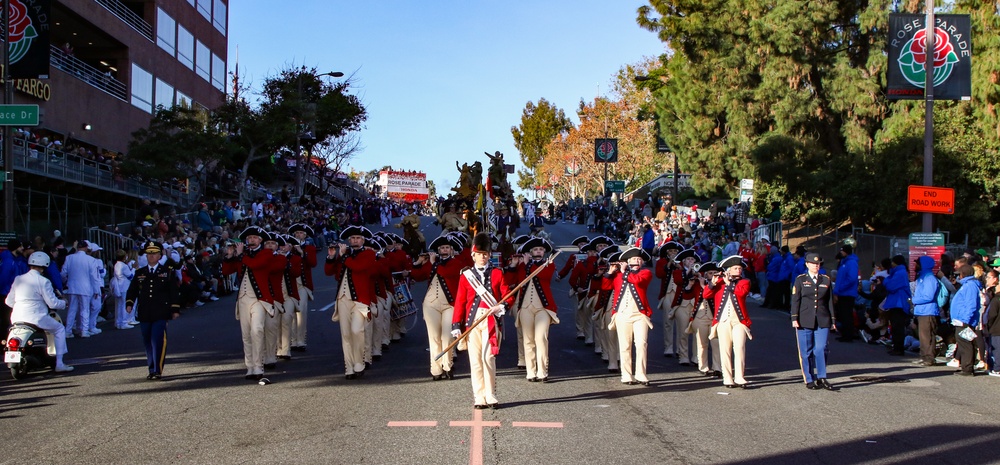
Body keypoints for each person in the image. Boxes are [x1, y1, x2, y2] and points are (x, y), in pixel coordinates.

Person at [450, 233, 510, 409]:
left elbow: (507, 295)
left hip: (491, 320)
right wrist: (456, 325)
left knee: (487, 358)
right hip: (472, 322)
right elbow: (460, 301)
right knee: (475, 360)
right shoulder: (465, 276)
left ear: (489, 255)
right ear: (473, 255)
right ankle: (479, 396)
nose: (483, 257)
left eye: (486, 254)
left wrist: (501, 306)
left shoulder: (498, 273)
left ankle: (490, 394)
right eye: (479, 254)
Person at [222, 226, 277, 381]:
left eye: (254, 238)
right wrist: (230, 255)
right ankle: (250, 366)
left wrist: (240, 255)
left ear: (260, 240)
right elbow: (226, 271)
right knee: (246, 334)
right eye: (249, 238)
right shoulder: (243, 255)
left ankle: (259, 365)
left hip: (260, 299)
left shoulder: (266, 253)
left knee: (257, 330)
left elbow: (255, 265)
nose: (251, 240)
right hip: (243, 298)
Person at [324, 225, 378, 380]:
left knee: (357, 330)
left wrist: (344, 256)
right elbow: (329, 272)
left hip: (360, 299)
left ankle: (359, 361)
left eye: (358, 238)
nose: (355, 240)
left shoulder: (368, 254)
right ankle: (349, 367)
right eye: (353, 238)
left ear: (363, 240)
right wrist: (332, 257)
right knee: (346, 334)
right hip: (343, 297)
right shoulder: (343, 254)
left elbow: (359, 267)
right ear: (349, 240)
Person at [6, 251, 73, 372]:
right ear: (45, 265)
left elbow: (9, 301)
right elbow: (52, 303)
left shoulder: (18, 279)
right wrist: (64, 303)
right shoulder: (43, 281)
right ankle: (59, 363)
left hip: (16, 317)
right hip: (37, 317)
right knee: (59, 329)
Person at [409, 234, 464, 380]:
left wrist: (433, 263)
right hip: (431, 303)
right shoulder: (433, 263)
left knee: (447, 336)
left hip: (449, 304)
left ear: (451, 250)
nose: (444, 250)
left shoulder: (455, 263)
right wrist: (418, 262)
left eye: (447, 247)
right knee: (433, 337)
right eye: (441, 248)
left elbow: (446, 273)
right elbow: (417, 275)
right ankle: (436, 369)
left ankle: (448, 365)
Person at [125, 241, 181, 380]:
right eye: (149, 254)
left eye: (154, 254)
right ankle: (151, 368)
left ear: (159, 255)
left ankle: (157, 369)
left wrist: (174, 309)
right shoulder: (140, 273)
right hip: (145, 312)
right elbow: (132, 290)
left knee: (158, 340)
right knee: (147, 341)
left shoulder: (166, 272)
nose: (151, 256)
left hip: (161, 311)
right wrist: (129, 303)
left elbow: (173, 291)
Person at [507, 237, 558, 382]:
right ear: (530, 252)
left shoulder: (549, 264)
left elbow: (544, 276)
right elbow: (511, 282)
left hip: (543, 307)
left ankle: (542, 370)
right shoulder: (522, 266)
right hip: (524, 306)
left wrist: (528, 264)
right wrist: (513, 265)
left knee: (541, 338)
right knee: (528, 340)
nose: (538, 252)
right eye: (535, 249)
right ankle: (531, 371)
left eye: (541, 250)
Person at [705, 255, 753, 389]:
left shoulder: (744, 281)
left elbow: (741, 293)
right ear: (728, 270)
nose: (738, 270)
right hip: (723, 320)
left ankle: (739, 376)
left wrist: (729, 284)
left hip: (739, 321)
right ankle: (727, 378)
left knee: (739, 348)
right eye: (735, 268)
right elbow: (706, 295)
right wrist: (712, 283)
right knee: (724, 349)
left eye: (739, 268)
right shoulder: (719, 282)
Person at [790, 253, 837, 390]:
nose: (816, 266)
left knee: (821, 348)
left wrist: (833, 320)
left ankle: (822, 377)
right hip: (804, 319)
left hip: (822, 319)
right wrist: (794, 318)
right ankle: (809, 378)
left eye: (818, 264)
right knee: (806, 351)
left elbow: (829, 302)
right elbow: (795, 300)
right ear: (807, 264)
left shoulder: (825, 280)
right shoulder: (800, 280)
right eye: (813, 264)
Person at [609, 247, 654, 386]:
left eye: (640, 259)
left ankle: (641, 374)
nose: (638, 261)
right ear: (627, 261)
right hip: (622, 313)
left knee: (641, 344)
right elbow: (605, 286)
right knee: (625, 345)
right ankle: (626, 375)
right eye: (634, 259)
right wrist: (609, 273)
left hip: (640, 314)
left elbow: (637, 281)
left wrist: (623, 272)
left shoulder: (646, 273)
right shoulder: (617, 275)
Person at [288, 224, 317, 352]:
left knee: (301, 312)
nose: (298, 235)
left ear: (305, 235)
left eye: (301, 233)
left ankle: (301, 340)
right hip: (291, 282)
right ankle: (292, 340)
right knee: (290, 313)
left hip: (303, 284)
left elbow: (313, 263)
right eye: (297, 233)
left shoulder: (309, 248)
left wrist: (302, 252)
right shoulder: (290, 247)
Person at [62, 240, 100, 338]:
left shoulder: (69, 258)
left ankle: (68, 331)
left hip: (72, 287)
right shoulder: (91, 260)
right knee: (85, 309)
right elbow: (94, 277)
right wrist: (97, 290)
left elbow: (63, 273)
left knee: (72, 309)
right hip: (85, 287)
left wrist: (66, 281)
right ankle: (84, 330)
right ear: (86, 248)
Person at [950, 264, 981, 376]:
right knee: (964, 343)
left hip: (964, 320)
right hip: (961, 319)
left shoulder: (970, 286)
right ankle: (966, 366)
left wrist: (965, 320)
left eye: (959, 274)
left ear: (964, 274)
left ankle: (967, 368)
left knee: (965, 343)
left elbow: (971, 305)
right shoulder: (967, 285)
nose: (958, 276)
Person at [911, 255, 941, 366]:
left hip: (928, 311)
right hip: (922, 311)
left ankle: (929, 358)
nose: (916, 265)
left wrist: (914, 300)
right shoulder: (922, 277)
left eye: (917, 263)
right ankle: (923, 356)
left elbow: (929, 296)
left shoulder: (929, 278)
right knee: (923, 336)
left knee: (927, 336)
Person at [655, 242, 683, 357]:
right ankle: (668, 347)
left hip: (681, 294)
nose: (673, 253)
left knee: (681, 322)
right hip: (668, 294)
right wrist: (669, 265)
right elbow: (659, 274)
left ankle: (680, 349)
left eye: (675, 251)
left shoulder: (682, 262)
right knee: (668, 322)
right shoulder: (662, 262)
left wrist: (680, 268)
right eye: (670, 251)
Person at [882, 255, 912, 356]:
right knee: (896, 327)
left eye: (893, 262)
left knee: (897, 327)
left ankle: (898, 348)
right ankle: (897, 347)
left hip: (898, 303)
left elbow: (890, 286)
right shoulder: (900, 272)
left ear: (896, 263)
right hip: (898, 303)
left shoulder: (900, 273)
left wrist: (886, 280)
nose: (891, 264)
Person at [833, 245, 860, 342]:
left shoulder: (851, 263)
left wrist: (840, 288)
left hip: (847, 293)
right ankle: (845, 334)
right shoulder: (845, 263)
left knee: (847, 314)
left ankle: (848, 335)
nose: (841, 253)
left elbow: (851, 279)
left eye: (842, 251)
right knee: (843, 314)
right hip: (843, 292)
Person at [111, 249, 137, 330]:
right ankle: (124, 322)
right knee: (124, 305)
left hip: (119, 286)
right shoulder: (124, 266)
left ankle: (118, 322)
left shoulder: (116, 264)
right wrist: (133, 269)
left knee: (119, 305)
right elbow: (130, 276)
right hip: (125, 287)